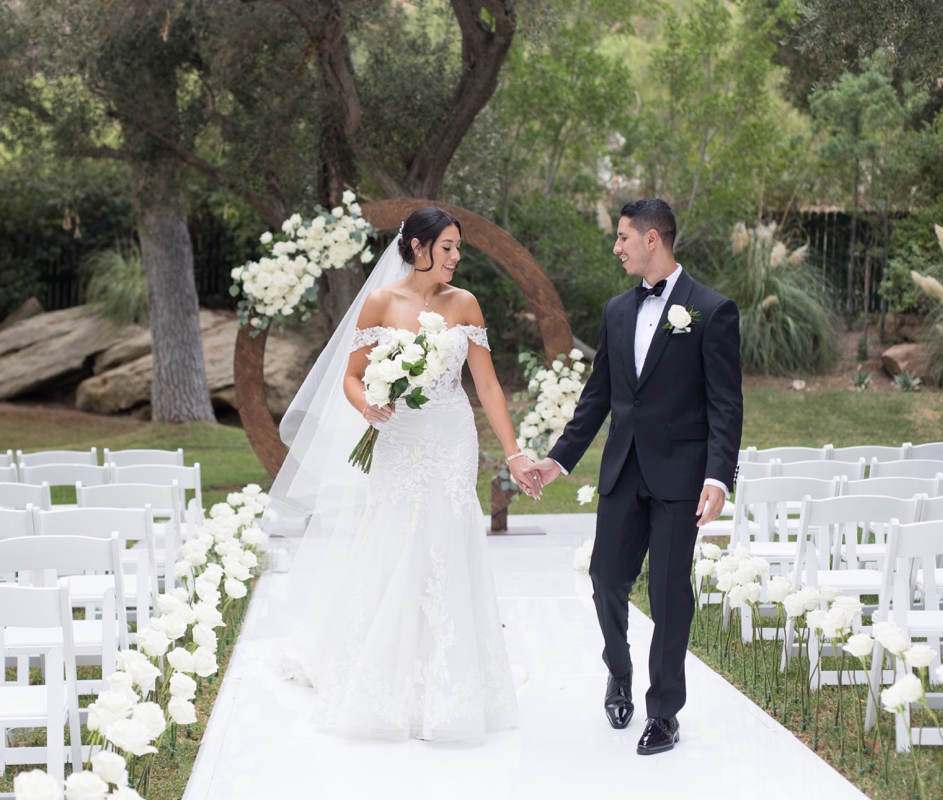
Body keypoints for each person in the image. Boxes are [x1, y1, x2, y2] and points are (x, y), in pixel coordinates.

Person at [271, 206, 537, 743]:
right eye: (447, 247)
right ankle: (380, 673)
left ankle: (450, 679)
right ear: (417, 248)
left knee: (447, 539)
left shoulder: (465, 304)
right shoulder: (380, 302)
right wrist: (367, 406)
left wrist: (513, 454)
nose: (456, 257)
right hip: (398, 439)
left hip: (451, 439)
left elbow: (485, 387)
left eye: (458, 248)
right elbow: (351, 377)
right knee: (395, 539)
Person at [526, 198, 743, 755]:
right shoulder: (617, 311)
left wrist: (718, 478)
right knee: (605, 580)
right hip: (623, 473)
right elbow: (598, 398)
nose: (617, 247)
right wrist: (556, 460)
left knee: (671, 595)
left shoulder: (712, 311)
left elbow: (726, 404)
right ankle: (618, 672)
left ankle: (664, 712)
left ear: (653, 240)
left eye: (624, 237)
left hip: (682, 479)